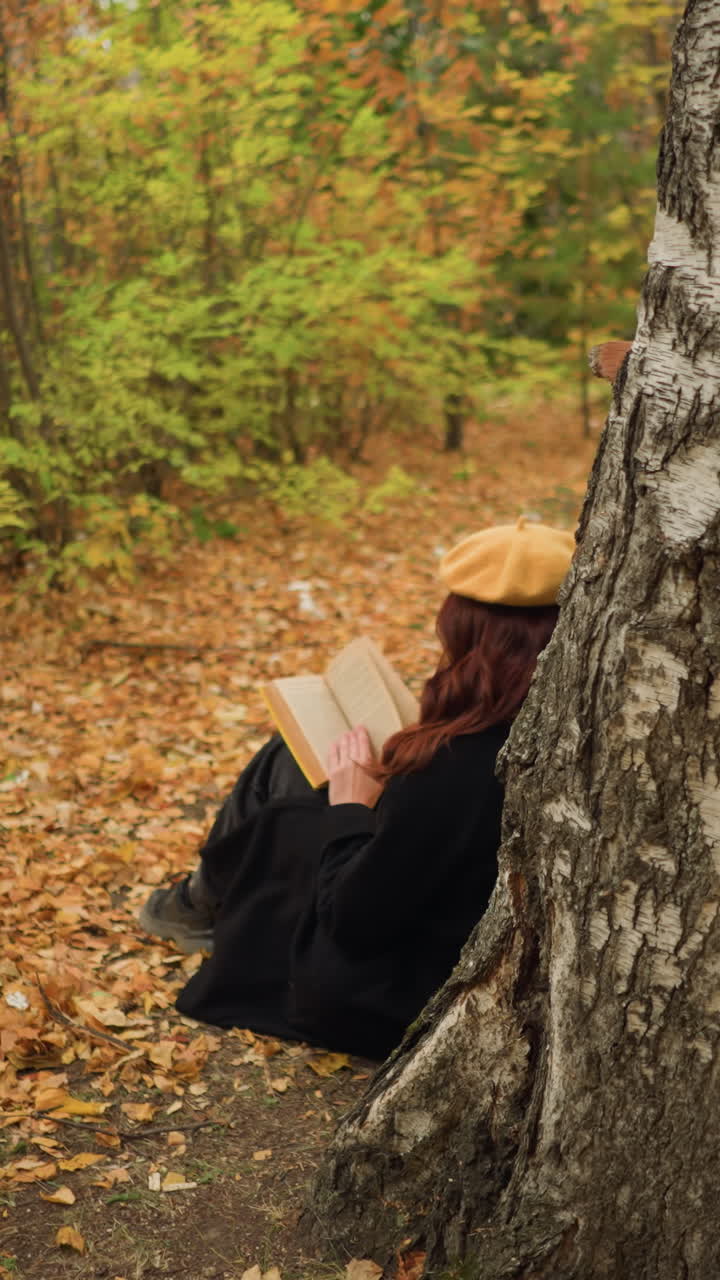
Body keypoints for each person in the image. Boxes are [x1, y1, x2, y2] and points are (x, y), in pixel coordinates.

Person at [139, 518, 574, 1060]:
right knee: (291, 761)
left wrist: (351, 806)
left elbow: (354, 923)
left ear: (467, 630)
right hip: (445, 928)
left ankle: (198, 900)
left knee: (287, 811)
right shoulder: (550, 725)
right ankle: (201, 898)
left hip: (392, 995)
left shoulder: (455, 766)